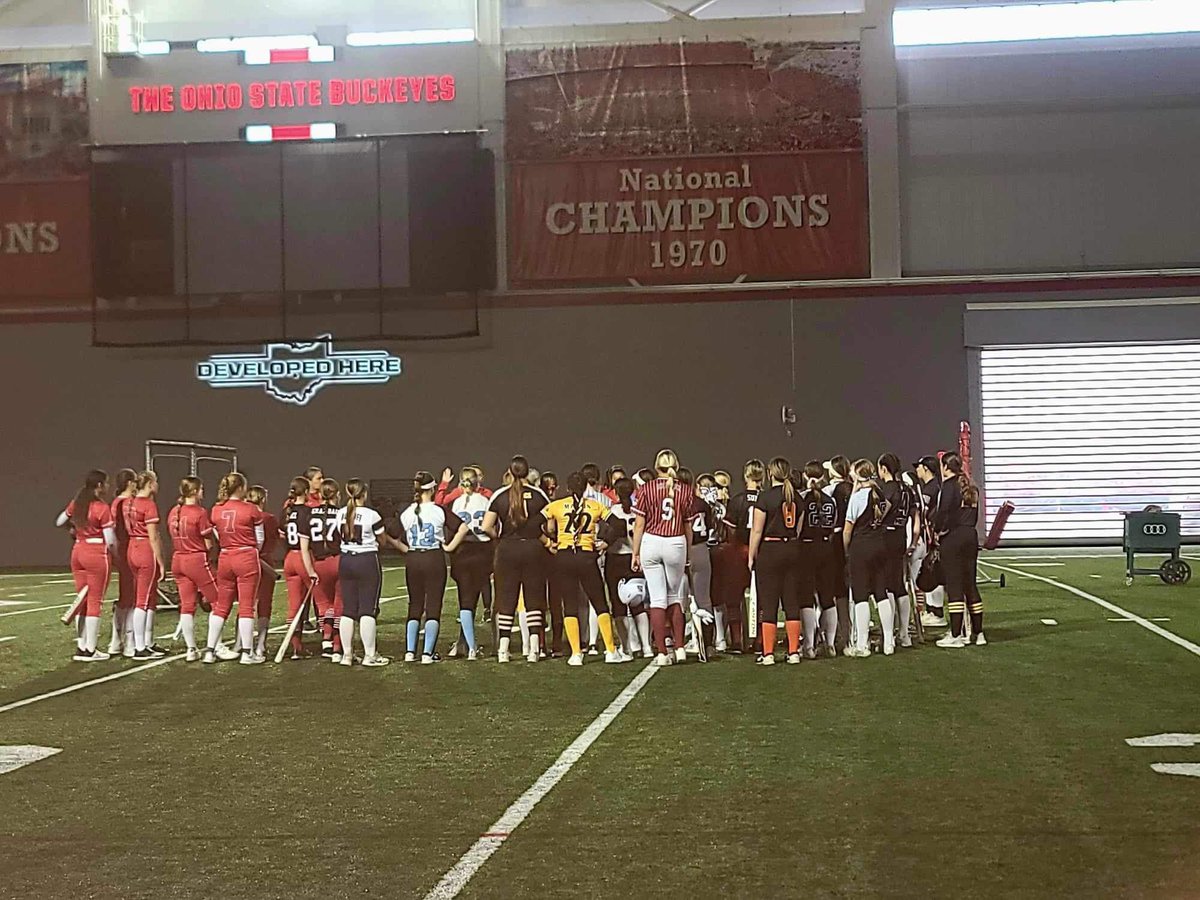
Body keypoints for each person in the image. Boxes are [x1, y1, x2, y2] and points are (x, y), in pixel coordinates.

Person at [542, 471, 632, 666]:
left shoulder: (557, 505)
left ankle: (576, 653)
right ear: (585, 488)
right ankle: (610, 651)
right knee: (600, 603)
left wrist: (550, 542)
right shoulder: (595, 505)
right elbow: (619, 525)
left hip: (564, 557)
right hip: (587, 557)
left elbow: (538, 525)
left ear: (568, 488)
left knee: (570, 605)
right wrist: (605, 543)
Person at [631, 449, 696, 667]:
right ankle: (679, 647)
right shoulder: (685, 490)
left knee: (658, 599)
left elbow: (639, 524)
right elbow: (688, 525)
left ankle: (661, 652)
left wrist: (635, 552)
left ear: (656, 467)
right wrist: (688, 551)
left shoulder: (646, 489)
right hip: (675, 542)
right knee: (674, 596)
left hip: (651, 541)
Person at [482, 456, 551, 663]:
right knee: (534, 598)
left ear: (510, 472)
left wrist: (499, 537)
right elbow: (550, 525)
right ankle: (534, 650)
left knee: (506, 598)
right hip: (533, 549)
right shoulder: (539, 495)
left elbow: (486, 526)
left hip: (507, 550)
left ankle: (503, 649)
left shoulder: (500, 495)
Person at [400, 472, 470, 663]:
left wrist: (405, 548)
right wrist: (450, 546)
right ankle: (427, 653)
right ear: (432, 489)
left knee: (415, 604)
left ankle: (409, 651)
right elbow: (463, 528)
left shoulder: (407, 512)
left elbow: (390, 535)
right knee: (433, 605)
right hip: (433, 557)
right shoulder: (439, 510)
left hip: (413, 558)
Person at [335, 479, 406, 667]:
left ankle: (347, 655)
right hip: (366, 560)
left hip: (346, 560)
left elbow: (335, 536)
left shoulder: (340, 513)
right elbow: (382, 539)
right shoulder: (372, 515)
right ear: (364, 494)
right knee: (368, 609)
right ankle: (370, 655)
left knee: (348, 610)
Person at [205, 472, 265, 665]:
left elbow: (216, 534)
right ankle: (247, 653)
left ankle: (209, 651)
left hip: (225, 556)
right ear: (240, 488)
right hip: (246, 556)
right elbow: (260, 539)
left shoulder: (216, 509)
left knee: (221, 606)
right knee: (246, 606)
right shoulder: (251, 509)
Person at [747, 457, 803, 665]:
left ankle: (768, 653)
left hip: (770, 550)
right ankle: (794, 651)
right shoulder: (797, 497)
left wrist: (751, 555)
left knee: (769, 602)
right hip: (792, 549)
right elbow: (798, 529)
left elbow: (757, 530)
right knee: (791, 602)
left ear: (771, 473)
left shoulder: (765, 497)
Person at [56, 470, 116, 661]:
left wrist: (73, 530)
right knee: (94, 601)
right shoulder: (102, 508)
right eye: (106, 483)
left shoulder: (78, 503)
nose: (108, 486)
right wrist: (116, 555)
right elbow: (110, 540)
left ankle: (81, 646)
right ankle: (91, 649)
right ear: (99, 485)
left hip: (78, 551)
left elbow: (59, 521)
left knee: (82, 600)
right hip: (96, 553)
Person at [933, 452, 985, 648]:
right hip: (970, 536)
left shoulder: (949, 485)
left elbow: (943, 512)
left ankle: (956, 634)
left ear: (946, 467)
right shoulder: (970, 485)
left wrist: (937, 530)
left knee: (954, 586)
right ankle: (978, 633)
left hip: (953, 538)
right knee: (970, 585)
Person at [842, 459, 893, 657]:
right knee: (881, 593)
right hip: (880, 545)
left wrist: (846, 550)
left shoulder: (857, 498)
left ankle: (862, 644)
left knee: (861, 595)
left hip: (861, 547)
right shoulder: (880, 495)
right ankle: (888, 642)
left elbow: (848, 530)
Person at [713, 459, 764, 654]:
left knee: (733, 596)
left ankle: (736, 640)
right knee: (763, 597)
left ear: (745, 476)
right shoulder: (766, 498)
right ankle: (760, 640)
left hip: (739, 549)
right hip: (762, 550)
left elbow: (730, 530)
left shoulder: (737, 500)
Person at [167, 477, 218, 662]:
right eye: (201, 489)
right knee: (218, 603)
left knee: (187, 606)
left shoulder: (174, 511)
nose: (203, 492)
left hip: (178, 559)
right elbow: (208, 542)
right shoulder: (199, 512)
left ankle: (191, 649)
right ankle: (215, 647)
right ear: (195, 491)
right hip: (196, 559)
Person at [599, 477, 651, 657]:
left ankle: (627, 647)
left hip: (616, 559)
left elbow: (606, 535)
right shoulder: (639, 510)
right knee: (638, 604)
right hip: (634, 557)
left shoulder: (613, 512)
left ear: (615, 492)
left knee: (618, 605)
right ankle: (646, 646)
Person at [446, 467, 493, 661]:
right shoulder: (485, 501)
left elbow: (453, 529)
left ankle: (464, 643)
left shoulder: (457, 503)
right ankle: (468, 645)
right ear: (477, 482)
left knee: (465, 601)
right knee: (473, 599)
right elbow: (491, 527)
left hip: (462, 551)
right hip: (481, 551)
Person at [298, 479, 344, 660]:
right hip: (338, 560)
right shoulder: (341, 513)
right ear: (336, 494)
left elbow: (304, 548)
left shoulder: (308, 514)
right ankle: (337, 645)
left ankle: (326, 641)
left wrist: (310, 570)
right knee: (340, 605)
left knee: (324, 606)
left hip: (319, 563)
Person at [798, 460, 839, 658]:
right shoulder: (830, 500)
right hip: (826, 548)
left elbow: (797, 527)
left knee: (806, 598)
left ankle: (808, 646)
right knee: (827, 598)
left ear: (805, 476)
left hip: (806, 548)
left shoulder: (802, 498)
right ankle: (830, 644)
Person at [125, 471, 167, 660]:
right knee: (142, 600)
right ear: (149, 484)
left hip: (131, 547)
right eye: (155, 481)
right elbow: (153, 536)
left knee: (148, 598)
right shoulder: (148, 504)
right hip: (144, 549)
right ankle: (140, 646)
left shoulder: (129, 502)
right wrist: (161, 561)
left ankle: (147, 643)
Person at [878, 453, 915, 650]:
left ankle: (890, 632)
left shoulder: (888, 488)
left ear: (884, 468)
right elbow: (915, 517)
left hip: (887, 537)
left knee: (888, 584)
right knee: (899, 584)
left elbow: (881, 512)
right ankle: (904, 633)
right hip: (901, 536)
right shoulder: (907, 489)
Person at [682, 470, 718, 656]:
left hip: (683, 550)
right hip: (702, 550)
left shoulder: (679, 502)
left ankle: (679, 643)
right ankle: (708, 644)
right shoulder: (702, 503)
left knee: (680, 600)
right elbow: (710, 527)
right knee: (704, 598)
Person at [280, 476, 315, 659]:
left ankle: (296, 647)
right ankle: (332, 644)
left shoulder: (287, 511)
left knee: (294, 604)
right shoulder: (308, 512)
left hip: (289, 558)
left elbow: (281, 534)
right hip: (303, 556)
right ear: (306, 491)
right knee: (323, 600)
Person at [824, 455, 854, 652]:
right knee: (851, 590)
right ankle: (851, 634)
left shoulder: (830, 490)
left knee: (837, 590)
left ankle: (838, 636)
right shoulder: (854, 489)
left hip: (836, 540)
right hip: (856, 539)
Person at [247, 485, 280, 661]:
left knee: (246, 603)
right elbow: (275, 537)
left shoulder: (243, 515)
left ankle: (241, 643)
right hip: (264, 560)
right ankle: (260, 644)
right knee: (264, 603)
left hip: (245, 560)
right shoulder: (269, 518)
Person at [914, 455, 947, 627]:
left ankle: (937, 612)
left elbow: (922, 510)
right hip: (930, 536)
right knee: (928, 571)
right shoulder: (930, 486)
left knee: (933, 572)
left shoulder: (932, 487)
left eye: (918, 467)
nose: (916, 470)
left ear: (926, 468)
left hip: (932, 536)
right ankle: (932, 610)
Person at [108, 468, 138, 657]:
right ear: (129, 483)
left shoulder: (116, 502)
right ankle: (128, 642)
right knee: (131, 597)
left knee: (125, 596)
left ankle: (117, 641)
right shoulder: (126, 503)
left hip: (121, 550)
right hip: (128, 549)